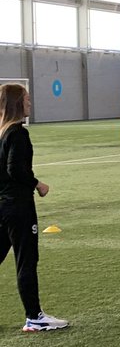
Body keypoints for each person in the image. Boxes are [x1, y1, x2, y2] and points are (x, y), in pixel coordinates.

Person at [0, 83, 68, 332]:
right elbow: (14, 169)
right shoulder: (17, 133)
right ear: (18, 103)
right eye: (27, 99)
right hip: (18, 207)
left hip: (2, 205)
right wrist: (37, 183)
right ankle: (34, 317)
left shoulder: (2, 132)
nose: (30, 102)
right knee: (26, 260)